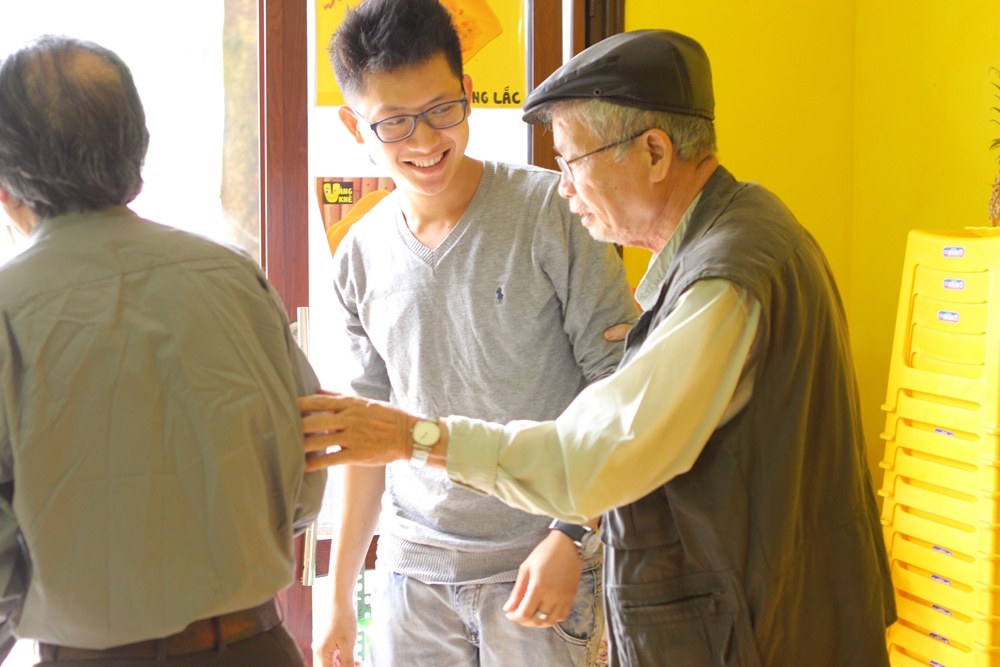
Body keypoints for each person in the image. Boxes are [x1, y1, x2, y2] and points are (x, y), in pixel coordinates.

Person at [302, 28, 897, 666]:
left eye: (572, 161)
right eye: (395, 122)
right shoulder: (731, 239)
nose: (564, 187)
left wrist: (415, 439)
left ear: (654, 153)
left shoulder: (723, 278)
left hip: (752, 622)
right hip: (428, 572)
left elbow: (591, 460)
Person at [317, 1, 637, 666]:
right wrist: (339, 595)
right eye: (394, 122)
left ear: (467, 92)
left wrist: (572, 535)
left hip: (541, 561)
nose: (425, 140)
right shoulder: (358, 255)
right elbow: (366, 441)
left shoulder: (553, 212)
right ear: (355, 126)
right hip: (412, 576)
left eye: (442, 109)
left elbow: (620, 390)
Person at [0, 35, 325, 666]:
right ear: (138, 147)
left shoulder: (8, 308)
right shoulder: (235, 277)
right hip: (258, 646)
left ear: (7, 178)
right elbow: (306, 477)